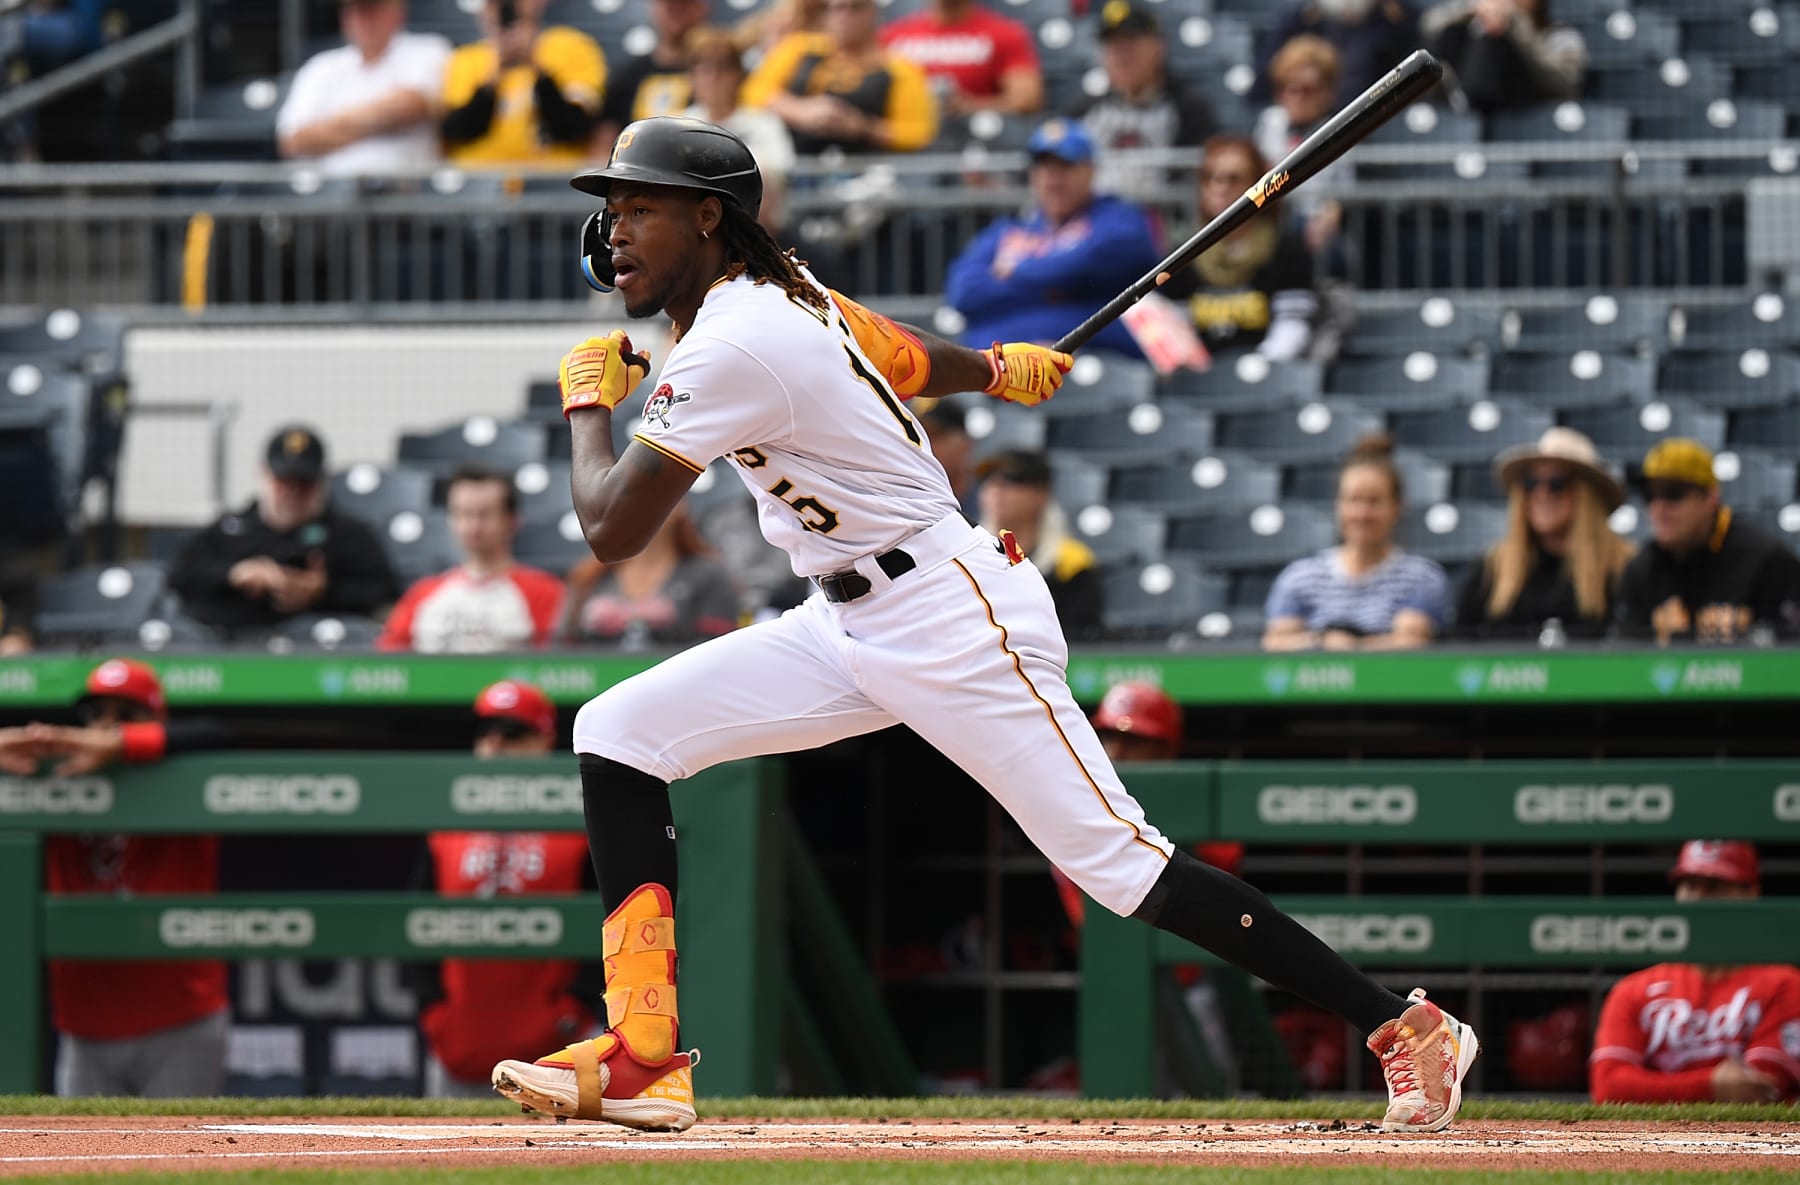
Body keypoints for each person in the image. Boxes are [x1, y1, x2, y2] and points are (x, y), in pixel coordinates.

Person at [483, 115, 1476, 1135]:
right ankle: (644, 1054)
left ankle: (1405, 1024)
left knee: (1120, 865)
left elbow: (610, 527)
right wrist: (997, 367)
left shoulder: (736, 339)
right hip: (844, 618)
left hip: (952, 614)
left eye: (639, 207)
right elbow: (897, 353)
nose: (616, 231)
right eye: (613, 209)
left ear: (709, 218)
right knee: (617, 732)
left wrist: (585, 408)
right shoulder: (775, 295)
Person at [0, 660, 227, 1097]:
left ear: (156, 719)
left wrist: (123, 745)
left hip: (181, 1015)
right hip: (84, 1024)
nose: (106, 727)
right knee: (84, 1160)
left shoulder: (180, 768)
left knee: (183, 1161)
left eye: (126, 714)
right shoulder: (55, 774)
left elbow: (219, 733)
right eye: (97, 715)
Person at [415, 681, 600, 1098]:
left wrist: (575, 1009)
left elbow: (603, 924)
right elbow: (417, 923)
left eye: (511, 733)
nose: (495, 744)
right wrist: (433, 1012)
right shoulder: (446, 823)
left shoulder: (579, 824)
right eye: (486, 732)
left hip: (556, 1045)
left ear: (545, 739)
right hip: (460, 1037)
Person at [1590, 841, 1800, 1103]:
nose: (1698, 898)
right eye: (1689, 885)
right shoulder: (1633, 990)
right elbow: (1609, 1087)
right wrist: (1710, 1085)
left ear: (1751, 893)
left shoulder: (1784, 984)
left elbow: (1759, 1086)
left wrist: (1650, 1087)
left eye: (1714, 886)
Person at [944, 119, 1162, 360]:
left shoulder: (1118, 217)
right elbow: (963, 290)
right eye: (1044, 167)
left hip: (1099, 362)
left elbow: (1086, 265)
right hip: (1004, 370)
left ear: (1089, 170)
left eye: (1065, 167)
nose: (1053, 179)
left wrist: (1014, 272)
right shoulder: (1010, 230)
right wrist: (1053, 286)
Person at [165, 426, 399, 637]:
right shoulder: (232, 529)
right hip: (236, 650)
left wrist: (324, 590)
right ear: (264, 475)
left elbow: (385, 593)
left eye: (304, 483)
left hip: (318, 656)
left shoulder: (347, 534)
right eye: (284, 481)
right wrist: (235, 574)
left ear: (321, 482)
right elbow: (178, 576)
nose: (293, 492)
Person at [1264, 436, 1451, 650]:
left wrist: (1348, 647)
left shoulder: (1422, 578)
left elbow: (1412, 645)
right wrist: (1322, 640)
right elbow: (1275, 643)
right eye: (1353, 500)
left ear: (1397, 506)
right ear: (1338, 505)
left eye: (1374, 501)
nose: (1362, 514)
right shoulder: (1301, 577)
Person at [1454, 427, 1633, 641]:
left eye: (1557, 483)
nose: (1542, 493)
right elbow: (1460, 651)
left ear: (1587, 495)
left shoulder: (1623, 568)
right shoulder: (1491, 569)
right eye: (1530, 483)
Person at [1615, 439, 1800, 643]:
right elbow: (1624, 655)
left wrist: (1750, 635)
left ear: (1710, 497)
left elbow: (1790, 649)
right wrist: (1656, 639)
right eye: (1650, 495)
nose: (1659, 508)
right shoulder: (1641, 569)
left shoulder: (1766, 560)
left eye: (1674, 493)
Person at [1161, 134, 1319, 362]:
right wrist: (1198, 367)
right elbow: (1176, 325)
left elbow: (1292, 326)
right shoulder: (1181, 253)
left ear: (1257, 186)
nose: (1219, 188)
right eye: (1209, 178)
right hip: (1199, 378)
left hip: (1267, 374)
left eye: (1233, 179)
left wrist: (1255, 367)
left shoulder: (1286, 249)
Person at [378, 466, 565, 653]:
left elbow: (558, 665)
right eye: (463, 513)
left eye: (485, 514)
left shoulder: (545, 592)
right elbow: (388, 661)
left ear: (512, 520)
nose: (473, 526)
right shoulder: (422, 594)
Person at [275, 0, 452, 177]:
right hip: (333, 193)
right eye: (354, 11)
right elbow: (293, 141)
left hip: (410, 192)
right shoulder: (321, 67)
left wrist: (328, 127)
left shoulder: (428, 50)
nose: (361, 19)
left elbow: (409, 107)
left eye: (371, 10)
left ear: (397, 11)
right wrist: (378, 120)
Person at [743, 0, 938, 156]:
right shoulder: (799, 48)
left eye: (855, 7)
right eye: (836, 8)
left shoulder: (899, 68)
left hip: (868, 166)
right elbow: (753, 92)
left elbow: (918, 133)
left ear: (873, 12)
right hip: (798, 163)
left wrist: (863, 128)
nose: (844, 16)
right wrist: (799, 111)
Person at [1072, 0, 1218, 204]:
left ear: (1158, 47)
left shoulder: (1189, 111)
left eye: (1130, 43)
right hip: (1096, 223)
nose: (1121, 54)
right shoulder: (1084, 112)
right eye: (1112, 45)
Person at [440, 0, 606, 167]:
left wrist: (536, 67)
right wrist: (494, 77)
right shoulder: (466, 59)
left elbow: (574, 128)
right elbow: (458, 131)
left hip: (551, 176)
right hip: (482, 176)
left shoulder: (573, 47)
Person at [562, 499, 741, 646]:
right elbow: (562, 641)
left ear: (680, 506)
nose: (645, 505)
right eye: (634, 496)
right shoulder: (588, 574)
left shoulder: (709, 575)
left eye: (657, 493)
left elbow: (719, 646)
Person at [976, 449, 1103, 640]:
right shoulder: (969, 556)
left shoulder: (1071, 563)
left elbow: (1078, 638)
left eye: (1010, 480)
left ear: (1041, 493)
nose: (996, 489)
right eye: (987, 480)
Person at [683, 29, 797, 237]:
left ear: (738, 74)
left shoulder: (764, 123)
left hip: (756, 226)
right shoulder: (676, 125)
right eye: (704, 67)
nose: (714, 77)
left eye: (723, 67)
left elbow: (779, 172)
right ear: (691, 76)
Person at [1252, 35, 1347, 258]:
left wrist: (1331, 214)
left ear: (1328, 93)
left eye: (1307, 89)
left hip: (1316, 222)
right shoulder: (1269, 122)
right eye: (1287, 88)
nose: (1296, 97)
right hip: (1273, 216)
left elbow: (1345, 192)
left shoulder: (1339, 128)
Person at [879, 0, 1042, 117]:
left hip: (977, 139)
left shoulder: (1004, 33)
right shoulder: (892, 36)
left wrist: (971, 106)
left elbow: (1026, 100)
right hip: (907, 137)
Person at [1421, 0, 1585, 114]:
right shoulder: (1478, 25)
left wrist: (1513, 25)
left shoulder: (1562, 36)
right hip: (1482, 106)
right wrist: (1473, 9)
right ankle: (1460, 104)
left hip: (1530, 110)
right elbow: (1428, 25)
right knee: (1478, 33)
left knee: (1492, 36)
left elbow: (1563, 83)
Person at [1255, 0, 1419, 107]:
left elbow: (1415, 74)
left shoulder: (1399, 19)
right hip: (1315, 126)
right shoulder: (1300, 19)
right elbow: (1263, 82)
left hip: (1374, 117)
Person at [597, 0, 712, 152]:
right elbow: (604, 141)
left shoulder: (717, 72)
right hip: (636, 167)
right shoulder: (628, 75)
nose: (676, 12)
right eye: (669, 5)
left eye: (684, 4)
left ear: (702, 8)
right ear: (654, 8)